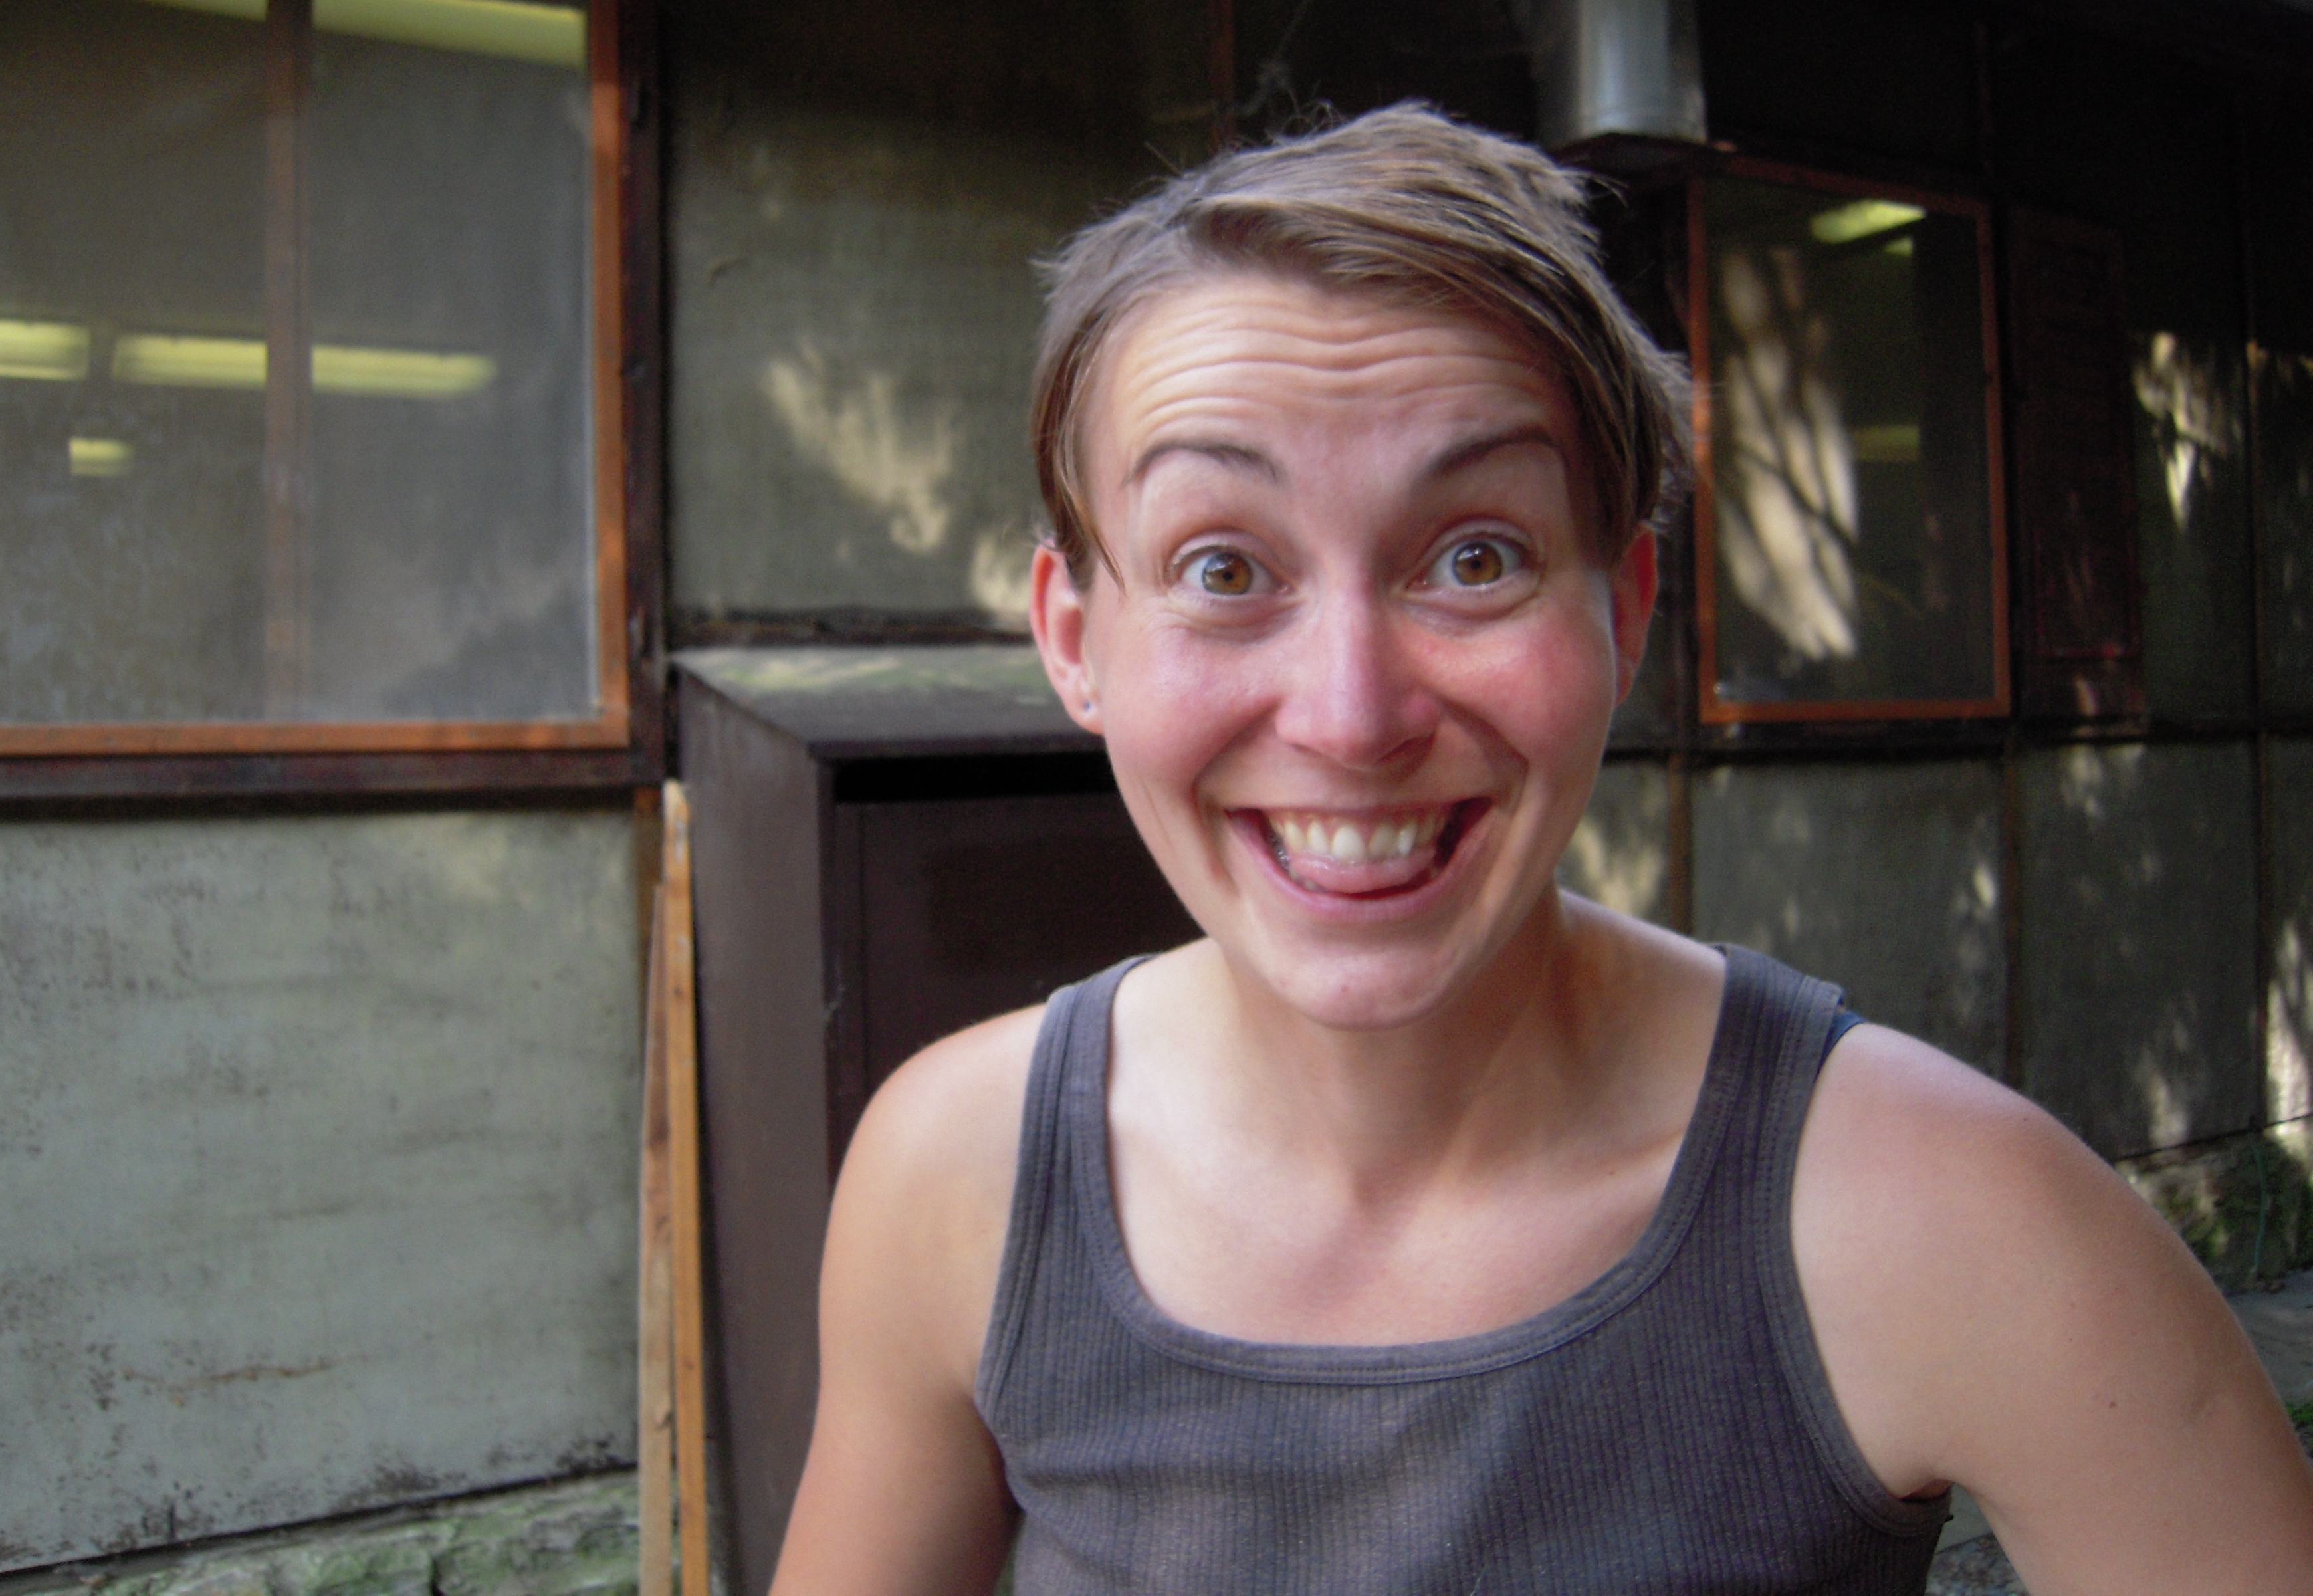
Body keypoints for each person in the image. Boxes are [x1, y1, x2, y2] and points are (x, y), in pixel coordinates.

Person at [769, 104, 2313, 1595]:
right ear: (1072, 637)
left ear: (1624, 614)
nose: (1353, 716)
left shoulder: (1951, 1213)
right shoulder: (960, 1177)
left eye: (1475, 557)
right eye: (1223, 568)